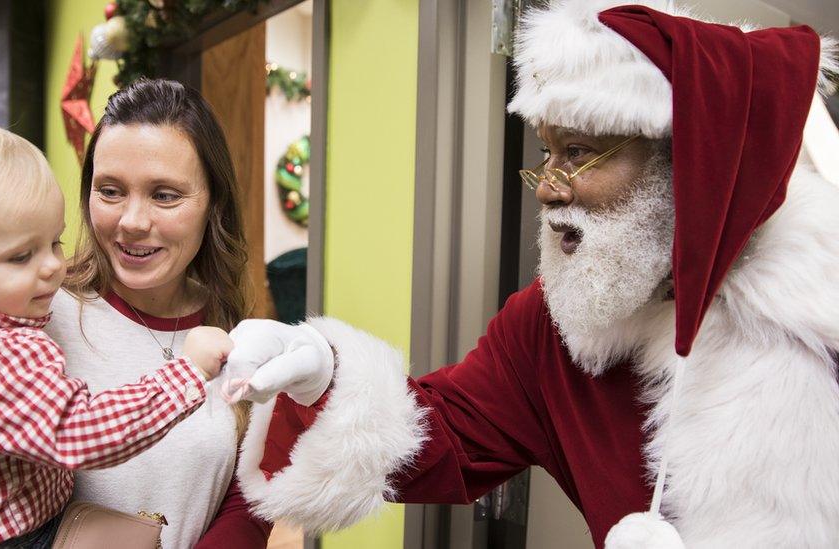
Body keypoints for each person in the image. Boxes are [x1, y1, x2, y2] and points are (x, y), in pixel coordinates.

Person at [222, 1, 839, 548]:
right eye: (547, 152)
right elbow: (439, 438)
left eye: (576, 152)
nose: (546, 187)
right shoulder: (552, 327)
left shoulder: (820, 317)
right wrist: (325, 374)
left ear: (684, 160)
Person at [0, 118, 230, 548]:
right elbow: (83, 430)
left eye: (55, 242)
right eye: (21, 256)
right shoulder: (5, 355)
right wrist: (186, 373)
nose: (54, 267)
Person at [45, 78, 270, 549]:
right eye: (110, 191)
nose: (131, 221)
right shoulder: (39, 311)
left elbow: (247, 496)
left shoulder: (233, 328)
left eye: (164, 195)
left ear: (213, 204)